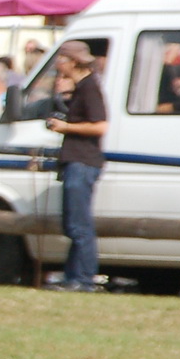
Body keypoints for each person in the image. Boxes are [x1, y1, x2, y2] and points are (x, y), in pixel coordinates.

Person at [45, 40, 108, 292]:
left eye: (61, 59)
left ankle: (83, 278)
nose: (59, 65)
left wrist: (66, 127)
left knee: (79, 225)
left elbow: (101, 125)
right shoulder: (83, 87)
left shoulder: (90, 87)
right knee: (73, 223)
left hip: (83, 161)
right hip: (76, 160)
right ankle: (73, 276)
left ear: (72, 61)